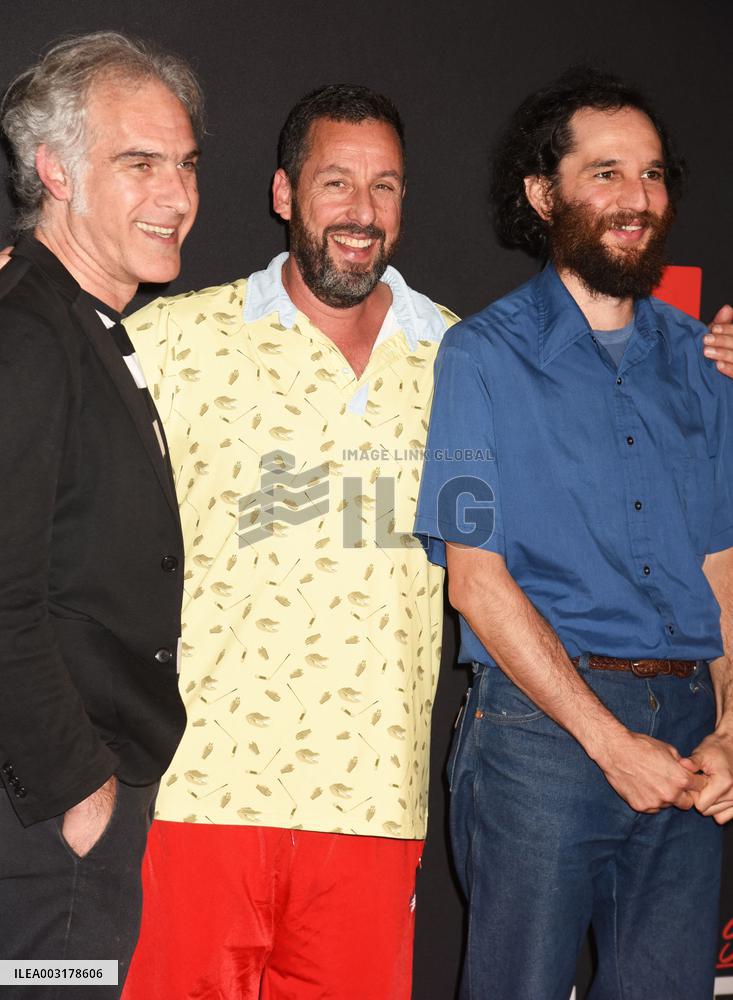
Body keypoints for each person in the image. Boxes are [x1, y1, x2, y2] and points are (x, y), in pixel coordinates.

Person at [121, 84, 457, 1000]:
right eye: (335, 182)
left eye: (384, 186)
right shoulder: (174, 341)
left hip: (376, 804)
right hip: (197, 793)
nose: (361, 212)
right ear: (283, 194)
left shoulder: (464, 362)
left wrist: (692, 354)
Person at [414, 66, 733, 999]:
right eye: (604, 174)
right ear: (542, 193)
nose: (635, 199)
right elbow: (474, 581)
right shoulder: (479, 357)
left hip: (688, 738)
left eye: (650, 175)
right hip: (540, 740)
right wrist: (605, 742)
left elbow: (721, 565)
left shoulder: (702, 365)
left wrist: (731, 730)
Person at [0, 32, 202, 995]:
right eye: (140, 163)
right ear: (55, 172)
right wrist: (74, 786)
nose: (177, 195)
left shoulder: (77, 322)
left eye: (185, 164)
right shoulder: (28, 333)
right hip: (45, 819)